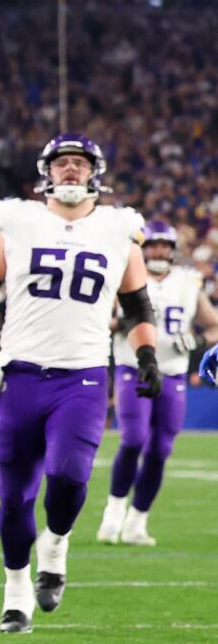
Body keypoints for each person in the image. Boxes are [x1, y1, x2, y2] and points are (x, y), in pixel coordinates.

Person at [0, 134, 161, 634]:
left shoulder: (118, 227)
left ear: (94, 173)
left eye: (78, 163)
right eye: (61, 162)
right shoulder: (17, 219)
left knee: (68, 477)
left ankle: (56, 545)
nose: (69, 170)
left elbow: (136, 303)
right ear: (46, 170)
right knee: (14, 497)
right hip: (21, 374)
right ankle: (15, 589)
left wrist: (146, 353)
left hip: (81, 377)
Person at [98, 221, 218, 545]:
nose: (159, 251)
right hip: (132, 367)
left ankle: (137, 520)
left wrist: (195, 339)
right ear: (143, 248)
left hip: (174, 371)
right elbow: (100, 320)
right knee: (134, 438)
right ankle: (114, 509)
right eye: (153, 245)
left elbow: (213, 326)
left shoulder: (187, 282)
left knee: (160, 449)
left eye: (164, 245)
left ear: (173, 249)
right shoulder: (126, 275)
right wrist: (123, 322)